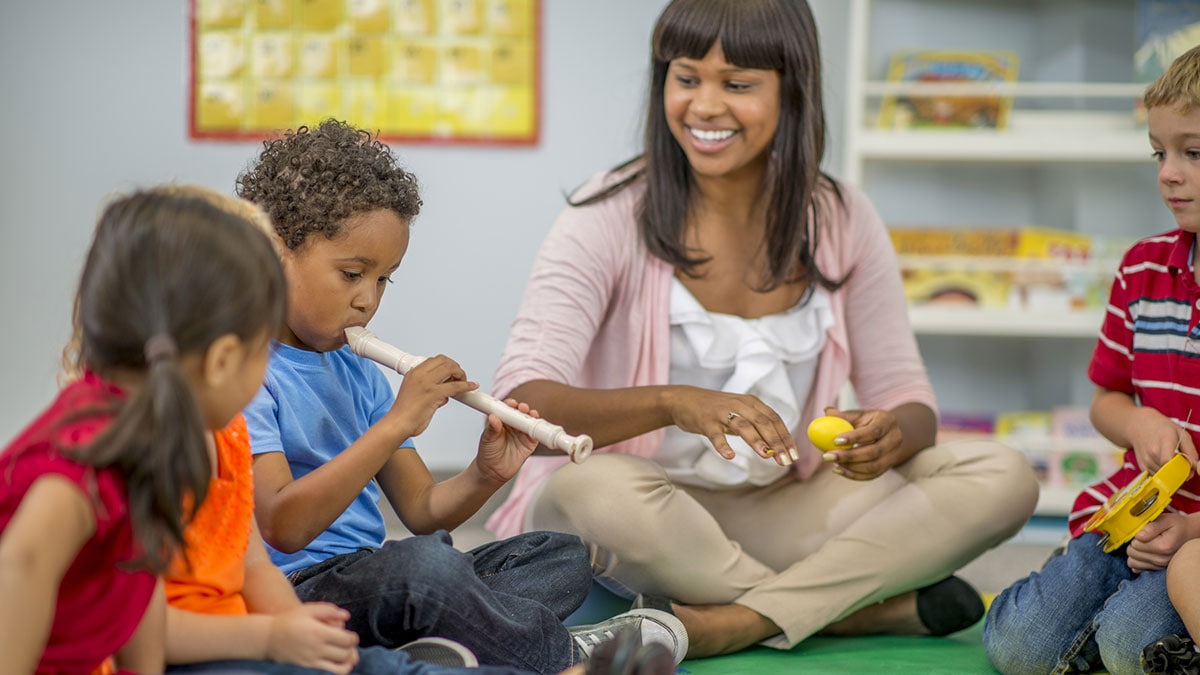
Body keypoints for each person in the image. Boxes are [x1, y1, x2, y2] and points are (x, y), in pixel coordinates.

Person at [484, 0, 1040, 659]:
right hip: (643, 512)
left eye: (738, 84)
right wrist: (673, 401)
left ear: (792, 89)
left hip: (779, 509)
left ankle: (741, 618)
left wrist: (888, 433)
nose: (705, 107)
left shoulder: (839, 216)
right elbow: (523, 405)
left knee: (1002, 475)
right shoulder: (604, 215)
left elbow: (910, 400)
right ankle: (840, 611)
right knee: (588, 489)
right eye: (686, 78)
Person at [236, 119, 688, 674]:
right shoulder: (241, 374)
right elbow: (282, 523)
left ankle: (435, 650)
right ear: (274, 251)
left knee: (558, 556)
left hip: (374, 580)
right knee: (427, 571)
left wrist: (486, 473)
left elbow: (424, 511)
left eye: (384, 280)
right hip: (297, 592)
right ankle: (568, 657)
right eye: (352, 273)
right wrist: (396, 424)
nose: (367, 301)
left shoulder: (359, 374)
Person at [0, 186, 287, 673]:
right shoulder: (86, 457)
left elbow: (139, 592)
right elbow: (19, 568)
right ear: (221, 361)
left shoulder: (156, 435)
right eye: (267, 350)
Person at [983, 45, 1200, 675]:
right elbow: (1107, 397)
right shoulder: (1141, 267)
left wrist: (1190, 532)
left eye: (1194, 153)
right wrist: (1139, 426)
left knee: (1132, 642)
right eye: (1160, 153)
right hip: (1129, 514)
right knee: (1017, 644)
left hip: (1193, 544)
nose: (1168, 173)